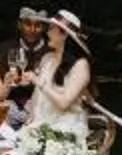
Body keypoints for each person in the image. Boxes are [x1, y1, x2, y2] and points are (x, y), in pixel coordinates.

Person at [25, 10, 95, 138]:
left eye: (51, 28)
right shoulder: (47, 58)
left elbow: (64, 104)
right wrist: (31, 118)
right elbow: (38, 97)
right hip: (40, 123)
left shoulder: (80, 66)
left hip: (66, 129)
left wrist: (38, 81)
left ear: (64, 35)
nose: (47, 32)